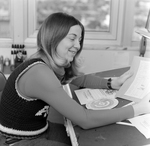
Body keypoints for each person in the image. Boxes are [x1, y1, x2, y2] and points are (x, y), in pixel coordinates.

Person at [0, 12, 150, 146]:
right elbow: (85, 119)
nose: (78, 45)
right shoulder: (40, 73)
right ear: (53, 37)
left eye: (80, 40)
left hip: (38, 129)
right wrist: (137, 109)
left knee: (79, 136)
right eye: (72, 38)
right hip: (16, 140)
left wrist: (112, 83)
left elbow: (80, 79)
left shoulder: (48, 62)